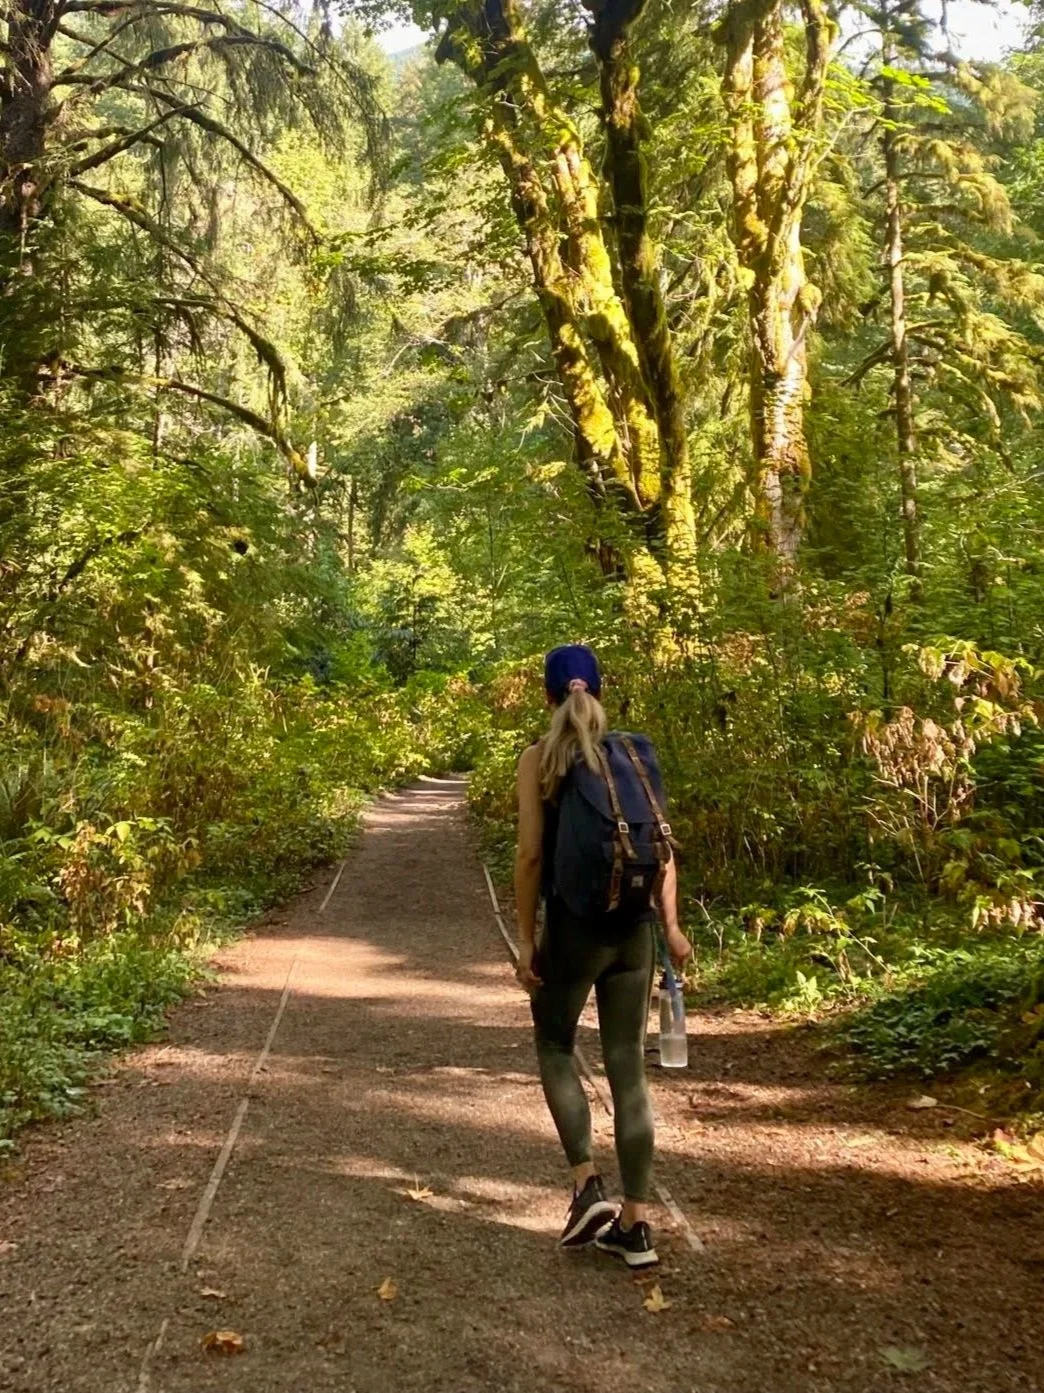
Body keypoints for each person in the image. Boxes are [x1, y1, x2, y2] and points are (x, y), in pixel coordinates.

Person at [514, 643, 692, 1269]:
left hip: (575, 929)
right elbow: (663, 848)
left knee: (556, 1044)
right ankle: (638, 1226)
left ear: (547, 695)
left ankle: (587, 1184)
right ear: (600, 693)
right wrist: (671, 927)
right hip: (636, 932)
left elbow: (532, 857)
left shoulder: (540, 760)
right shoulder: (635, 758)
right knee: (628, 1068)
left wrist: (527, 938)